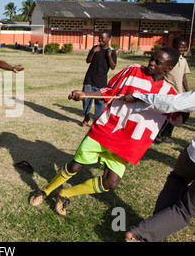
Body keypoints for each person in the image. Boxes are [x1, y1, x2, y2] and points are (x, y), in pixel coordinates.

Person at [29, 48, 180, 217]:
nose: (151, 63)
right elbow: (109, 91)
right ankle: (46, 191)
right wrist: (85, 94)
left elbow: (178, 118)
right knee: (75, 165)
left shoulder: (170, 94)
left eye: (157, 62)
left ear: (168, 68)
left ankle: (64, 194)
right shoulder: (134, 70)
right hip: (106, 128)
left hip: (129, 142)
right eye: (152, 58)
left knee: (110, 182)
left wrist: (186, 103)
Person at [120, 90, 194, 242]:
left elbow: (174, 102)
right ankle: (141, 233)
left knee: (177, 179)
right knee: (185, 209)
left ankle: (156, 223)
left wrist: (139, 96)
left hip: (192, 155)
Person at [155, 37, 190, 143]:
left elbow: (183, 77)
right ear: (174, 47)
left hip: (178, 93)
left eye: (184, 47)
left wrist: (187, 90)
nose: (182, 49)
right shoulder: (169, 59)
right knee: (163, 114)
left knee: (174, 115)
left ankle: (166, 135)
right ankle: (157, 134)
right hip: (167, 91)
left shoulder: (183, 61)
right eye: (180, 47)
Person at [80, 31, 117, 127]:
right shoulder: (95, 48)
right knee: (85, 99)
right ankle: (86, 116)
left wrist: (109, 56)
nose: (100, 40)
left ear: (109, 39)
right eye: (99, 37)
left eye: (102, 38)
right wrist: (93, 52)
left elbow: (113, 67)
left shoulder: (112, 51)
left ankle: (97, 121)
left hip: (101, 80)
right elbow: (88, 61)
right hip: (89, 78)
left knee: (100, 102)